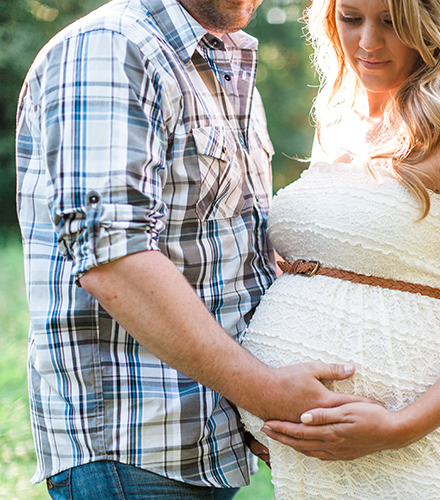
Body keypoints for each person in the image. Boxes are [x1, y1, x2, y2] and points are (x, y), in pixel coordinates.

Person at [15, 0, 371, 497]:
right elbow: (114, 261)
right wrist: (266, 392)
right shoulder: (110, 48)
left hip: (211, 440)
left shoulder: (225, 60)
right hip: (135, 445)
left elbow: (230, 247)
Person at [238, 0, 440, 497]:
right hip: (320, 467)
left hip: (423, 457)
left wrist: (402, 425)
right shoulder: (336, 116)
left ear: (431, 23)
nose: (367, 41)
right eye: (351, 18)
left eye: (391, 22)